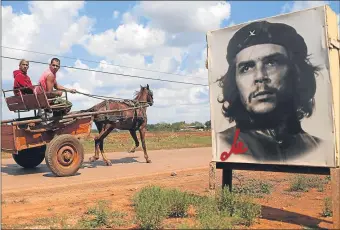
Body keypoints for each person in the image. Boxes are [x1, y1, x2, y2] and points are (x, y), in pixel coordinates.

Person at [216, 20, 323, 163]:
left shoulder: (318, 147)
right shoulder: (223, 143)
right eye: (246, 68)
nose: (260, 76)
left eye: (272, 63)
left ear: (296, 72)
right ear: (234, 82)